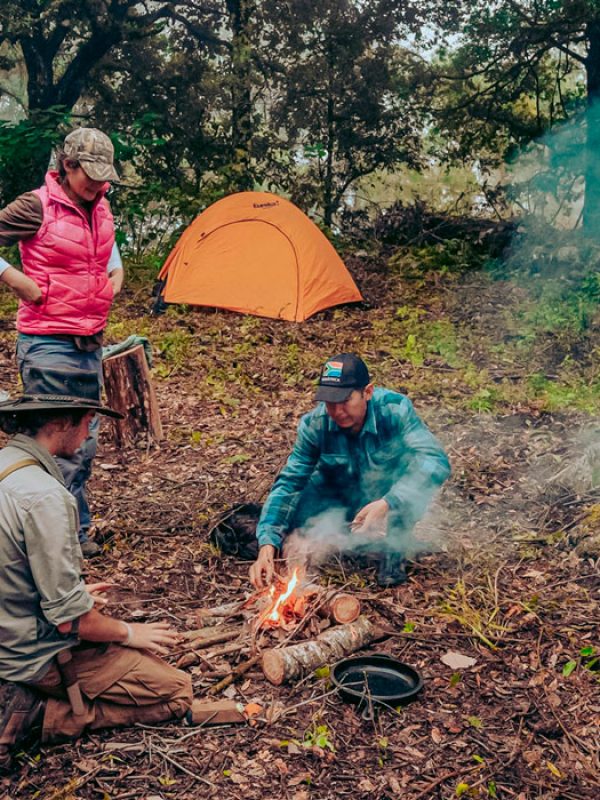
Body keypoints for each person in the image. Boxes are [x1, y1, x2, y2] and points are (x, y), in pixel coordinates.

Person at [0, 368, 193, 771]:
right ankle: (36, 717)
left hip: (9, 623)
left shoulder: (7, 468)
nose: (91, 432)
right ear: (58, 423)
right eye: (88, 421)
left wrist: (75, 594)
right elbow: (71, 622)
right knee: (176, 691)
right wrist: (129, 632)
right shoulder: (45, 497)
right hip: (25, 654)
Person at [0, 127, 125, 557]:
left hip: (88, 341)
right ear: (67, 166)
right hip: (46, 340)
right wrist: (15, 278)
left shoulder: (100, 204)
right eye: (89, 175)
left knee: (82, 443)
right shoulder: (35, 206)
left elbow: (105, 250)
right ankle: (50, 541)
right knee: (54, 441)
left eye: (103, 177)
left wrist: (115, 277)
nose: (97, 185)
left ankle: (75, 530)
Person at [249, 353, 451, 589]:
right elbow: (290, 483)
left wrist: (389, 502)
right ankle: (339, 539)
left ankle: (394, 550)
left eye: (344, 400)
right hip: (341, 495)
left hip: (387, 496)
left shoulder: (394, 411)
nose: (336, 410)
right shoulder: (315, 424)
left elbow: (435, 461)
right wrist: (266, 545)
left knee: (414, 479)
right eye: (329, 401)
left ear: (367, 392)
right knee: (295, 513)